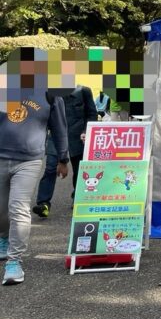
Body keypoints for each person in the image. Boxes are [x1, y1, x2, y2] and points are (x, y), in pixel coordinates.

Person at [1, 88, 69, 285]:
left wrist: (63, 157)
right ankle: (4, 236)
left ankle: (14, 262)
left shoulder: (50, 93)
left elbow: (59, 127)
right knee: (1, 209)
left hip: (29, 160)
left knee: (18, 207)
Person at [32, 84, 97, 216]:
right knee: (50, 168)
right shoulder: (49, 93)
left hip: (78, 138)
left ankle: (77, 198)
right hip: (55, 138)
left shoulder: (84, 91)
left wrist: (86, 131)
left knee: (79, 170)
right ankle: (43, 203)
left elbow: (92, 114)